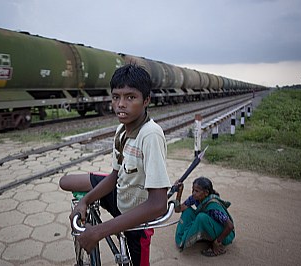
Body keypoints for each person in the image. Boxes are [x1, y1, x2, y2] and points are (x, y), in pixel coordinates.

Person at [59, 64, 171, 266]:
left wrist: (100, 231)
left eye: (130, 97)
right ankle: (91, 208)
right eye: (116, 97)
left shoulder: (150, 135)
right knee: (65, 181)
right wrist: (85, 201)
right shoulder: (121, 130)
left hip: (139, 216)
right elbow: (114, 176)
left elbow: (158, 204)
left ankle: (106, 227)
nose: (121, 104)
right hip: (121, 193)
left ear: (146, 101)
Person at [173, 176, 235, 257]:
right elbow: (178, 209)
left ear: (206, 193)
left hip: (225, 234)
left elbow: (230, 226)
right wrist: (179, 192)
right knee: (188, 211)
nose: (193, 193)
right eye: (193, 190)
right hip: (210, 226)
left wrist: (217, 242)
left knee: (201, 217)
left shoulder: (213, 206)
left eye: (196, 191)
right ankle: (185, 239)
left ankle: (216, 244)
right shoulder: (195, 198)